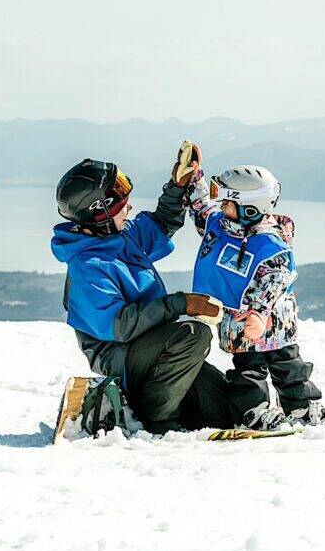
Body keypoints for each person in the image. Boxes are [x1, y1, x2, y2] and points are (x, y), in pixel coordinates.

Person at [50, 148, 236, 434]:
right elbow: (121, 326)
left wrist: (178, 186)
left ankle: (181, 410)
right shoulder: (87, 267)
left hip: (153, 345)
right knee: (193, 334)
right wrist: (181, 304)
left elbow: (161, 223)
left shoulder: (121, 237)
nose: (130, 207)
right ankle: (154, 419)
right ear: (99, 211)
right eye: (121, 203)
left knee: (224, 409)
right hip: (119, 355)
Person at [188, 164, 325, 429]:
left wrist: (259, 314)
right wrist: (194, 177)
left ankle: (300, 406)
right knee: (248, 370)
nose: (222, 206)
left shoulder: (269, 245)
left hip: (270, 321)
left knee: (288, 364)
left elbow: (275, 281)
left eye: (227, 202)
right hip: (242, 323)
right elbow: (201, 207)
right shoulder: (222, 225)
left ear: (249, 209)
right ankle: (254, 409)